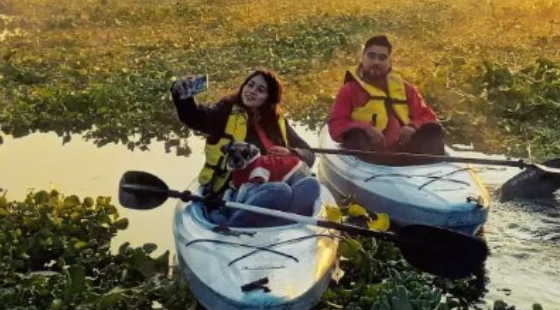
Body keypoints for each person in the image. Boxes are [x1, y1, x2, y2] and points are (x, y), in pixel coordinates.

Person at [171, 69, 320, 227]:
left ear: (270, 99)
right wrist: (182, 95)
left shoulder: (277, 122)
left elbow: (309, 154)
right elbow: (194, 117)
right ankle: (234, 224)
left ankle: (274, 223)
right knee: (280, 191)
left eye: (260, 90)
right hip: (235, 192)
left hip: (272, 191)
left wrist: (292, 152)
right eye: (250, 85)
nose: (252, 91)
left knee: (312, 185)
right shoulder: (224, 112)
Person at [327, 35, 446, 161]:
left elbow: (429, 116)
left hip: (406, 152)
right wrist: (365, 128)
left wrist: (413, 127)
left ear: (390, 62)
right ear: (362, 59)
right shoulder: (349, 90)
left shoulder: (406, 89)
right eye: (371, 56)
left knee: (432, 129)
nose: (376, 62)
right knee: (356, 134)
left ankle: (432, 169)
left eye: (382, 57)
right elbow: (336, 125)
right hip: (368, 156)